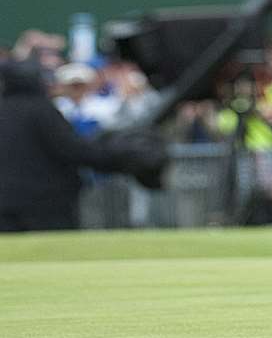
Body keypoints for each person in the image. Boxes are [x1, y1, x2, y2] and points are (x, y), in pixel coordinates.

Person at [0, 61, 166, 232]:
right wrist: (118, 157)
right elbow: (73, 149)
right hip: (46, 204)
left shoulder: (6, 110)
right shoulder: (42, 111)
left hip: (6, 204)